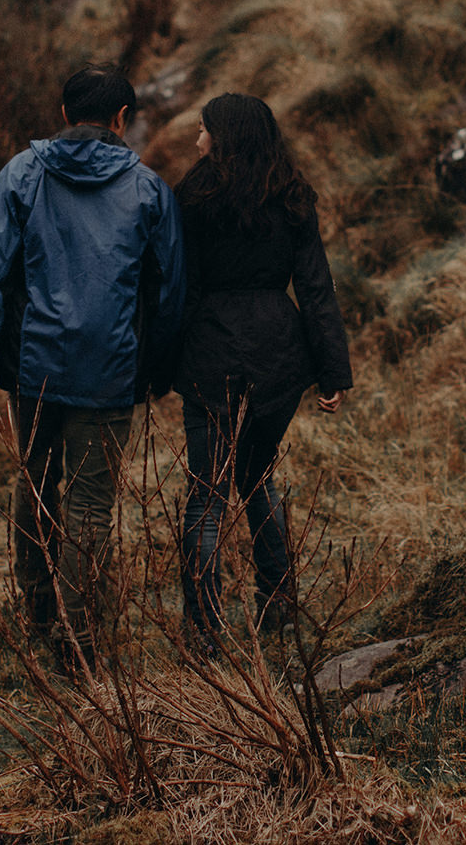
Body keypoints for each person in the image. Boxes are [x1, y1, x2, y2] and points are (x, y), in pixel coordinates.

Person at [0, 63, 185, 673]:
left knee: (36, 487)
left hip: (35, 370)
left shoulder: (20, 175)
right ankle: (77, 641)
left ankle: (36, 615)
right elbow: (170, 292)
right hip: (110, 372)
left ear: (62, 115)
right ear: (121, 121)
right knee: (88, 504)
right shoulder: (148, 190)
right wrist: (157, 371)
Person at [173, 92, 352, 648]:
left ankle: (204, 628)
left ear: (222, 137)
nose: (197, 140)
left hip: (210, 349)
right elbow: (316, 287)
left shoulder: (193, 197)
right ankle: (278, 605)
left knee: (206, 492)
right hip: (278, 353)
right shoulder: (292, 196)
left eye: (203, 131)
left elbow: (180, 288)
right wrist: (332, 370)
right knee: (256, 479)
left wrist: (161, 361)